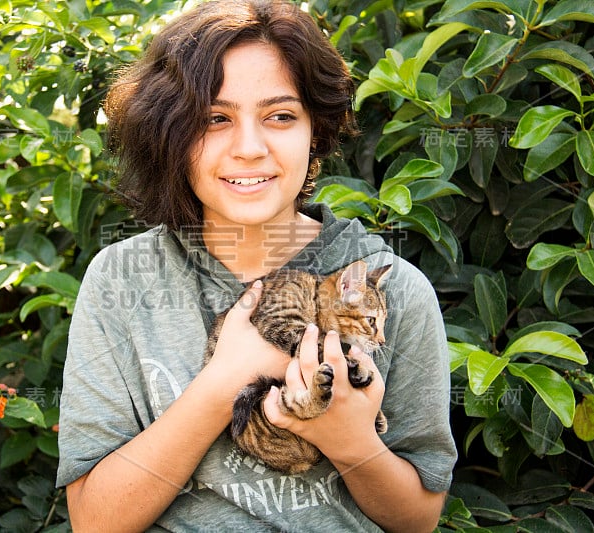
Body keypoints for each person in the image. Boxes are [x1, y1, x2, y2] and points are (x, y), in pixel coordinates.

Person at [56, 0, 457, 530]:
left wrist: (349, 439)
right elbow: (94, 521)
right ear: (170, 136)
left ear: (315, 130)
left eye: (281, 116)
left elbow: (419, 519)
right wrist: (226, 381)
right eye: (214, 119)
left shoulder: (394, 289)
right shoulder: (122, 279)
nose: (249, 147)